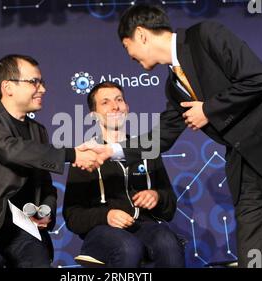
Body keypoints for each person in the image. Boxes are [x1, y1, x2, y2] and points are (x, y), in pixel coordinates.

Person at [91, 4, 262, 267]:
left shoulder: (206, 36)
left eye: (127, 46)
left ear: (141, 34)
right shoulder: (174, 86)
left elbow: (257, 79)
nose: (129, 56)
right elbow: (162, 137)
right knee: (255, 255)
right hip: (246, 168)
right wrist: (112, 151)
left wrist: (208, 109)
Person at [0, 54, 105, 268]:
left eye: (42, 82)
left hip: (24, 229)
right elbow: (9, 149)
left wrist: (45, 211)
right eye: (34, 82)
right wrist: (72, 154)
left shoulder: (38, 130)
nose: (42, 89)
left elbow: (45, 186)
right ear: (8, 87)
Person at [63, 81, 185, 268]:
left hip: (144, 226)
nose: (115, 106)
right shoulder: (86, 156)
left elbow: (169, 207)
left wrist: (157, 196)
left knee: (167, 241)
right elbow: (72, 216)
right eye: (105, 102)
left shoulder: (147, 149)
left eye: (119, 100)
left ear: (127, 108)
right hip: (102, 232)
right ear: (94, 116)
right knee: (128, 247)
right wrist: (106, 215)